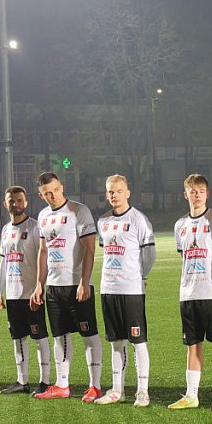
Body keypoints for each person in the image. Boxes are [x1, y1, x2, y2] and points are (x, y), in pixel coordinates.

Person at [31, 172, 103, 402]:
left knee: (89, 335)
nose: (52, 195)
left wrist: (85, 281)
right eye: (47, 193)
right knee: (59, 336)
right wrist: (39, 285)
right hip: (54, 287)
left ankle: (95, 386)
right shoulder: (43, 216)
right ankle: (62, 385)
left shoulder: (79, 211)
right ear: (41, 195)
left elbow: (89, 248)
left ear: (62, 187)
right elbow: (43, 251)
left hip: (76, 285)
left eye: (55, 190)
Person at [170, 174, 212, 412]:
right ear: (185, 194)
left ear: (207, 194)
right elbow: (185, 257)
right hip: (188, 294)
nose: (197, 195)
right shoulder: (180, 225)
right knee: (193, 345)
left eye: (201, 191)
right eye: (193, 191)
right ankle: (191, 395)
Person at [94, 174, 155, 407]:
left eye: (119, 191)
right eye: (111, 191)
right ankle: (117, 390)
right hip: (108, 288)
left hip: (131, 290)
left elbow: (149, 254)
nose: (114, 195)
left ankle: (142, 391)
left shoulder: (138, 219)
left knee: (138, 341)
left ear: (127, 192)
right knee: (116, 341)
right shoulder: (103, 221)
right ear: (106, 194)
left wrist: (141, 276)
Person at [0, 186, 51, 395]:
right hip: (13, 294)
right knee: (18, 338)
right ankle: (22, 381)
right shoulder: (5, 230)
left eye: (19, 200)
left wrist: (40, 287)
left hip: (31, 293)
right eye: (11, 200)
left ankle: (45, 381)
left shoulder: (35, 227)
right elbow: (4, 262)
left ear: (26, 203)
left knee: (39, 337)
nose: (15, 204)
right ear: (5, 204)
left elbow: (44, 259)